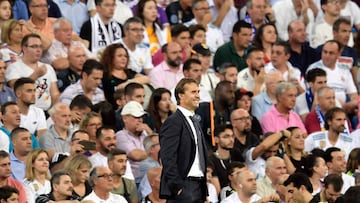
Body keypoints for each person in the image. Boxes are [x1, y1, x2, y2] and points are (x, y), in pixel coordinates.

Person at [159, 78, 208, 202]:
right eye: (193, 92)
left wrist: (204, 191)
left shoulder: (195, 121)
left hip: (198, 186)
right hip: (183, 187)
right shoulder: (173, 122)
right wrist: (177, 187)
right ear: (181, 95)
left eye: (198, 92)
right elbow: (168, 156)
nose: (198, 96)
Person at [6, 33, 60, 111]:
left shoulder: (48, 67)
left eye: (40, 47)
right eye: (34, 46)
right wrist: (36, 75)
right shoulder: (14, 67)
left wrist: (53, 111)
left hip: (47, 111)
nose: (38, 50)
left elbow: (55, 94)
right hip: (25, 112)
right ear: (24, 48)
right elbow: (15, 88)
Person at [100, 43, 149, 107]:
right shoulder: (105, 75)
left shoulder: (129, 72)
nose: (123, 58)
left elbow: (146, 79)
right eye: (120, 56)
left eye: (125, 56)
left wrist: (127, 83)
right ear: (111, 58)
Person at [116, 101, 149, 184]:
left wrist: (149, 131)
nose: (140, 120)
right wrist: (153, 153)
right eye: (136, 117)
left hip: (150, 177)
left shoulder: (145, 133)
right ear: (125, 118)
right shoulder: (121, 135)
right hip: (135, 181)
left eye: (141, 117)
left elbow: (160, 148)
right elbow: (136, 155)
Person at [208, 124, 234, 189]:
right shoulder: (211, 159)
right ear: (216, 139)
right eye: (226, 137)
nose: (231, 140)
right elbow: (217, 189)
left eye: (232, 136)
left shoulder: (236, 154)